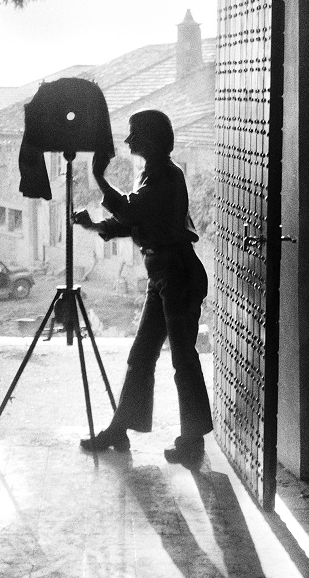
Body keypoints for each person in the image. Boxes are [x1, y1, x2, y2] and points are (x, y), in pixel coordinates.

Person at [72, 110, 213, 466]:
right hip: (165, 275)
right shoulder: (155, 173)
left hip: (176, 275)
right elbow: (135, 220)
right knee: (142, 356)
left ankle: (192, 440)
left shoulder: (165, 175)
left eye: (134, 133)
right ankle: (120, 429)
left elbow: (133, 213)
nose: (128, 140)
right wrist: (95, 226)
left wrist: (98, 178)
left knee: (182, 358)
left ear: (150, 138)